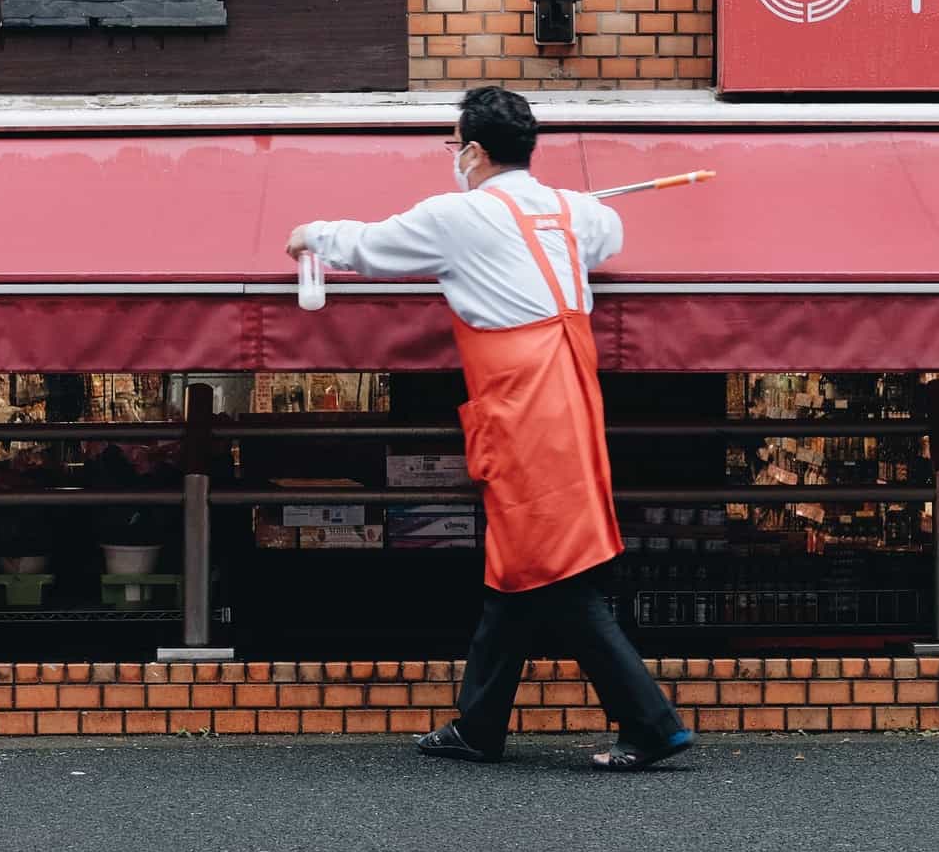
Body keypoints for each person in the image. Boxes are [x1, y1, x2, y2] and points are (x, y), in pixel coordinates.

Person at [286, 86, 695, 772]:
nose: (453, 158)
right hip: (568, 401)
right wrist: (575, 208)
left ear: (474, 151)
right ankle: (479, 726)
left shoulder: (459, 215)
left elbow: (373, 247)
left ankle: (652, 722)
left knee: (558, 575)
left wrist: (312, 234)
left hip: (523, 412)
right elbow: (610, 232)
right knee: (517, 570)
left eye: (454, 145)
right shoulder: (574, 213)